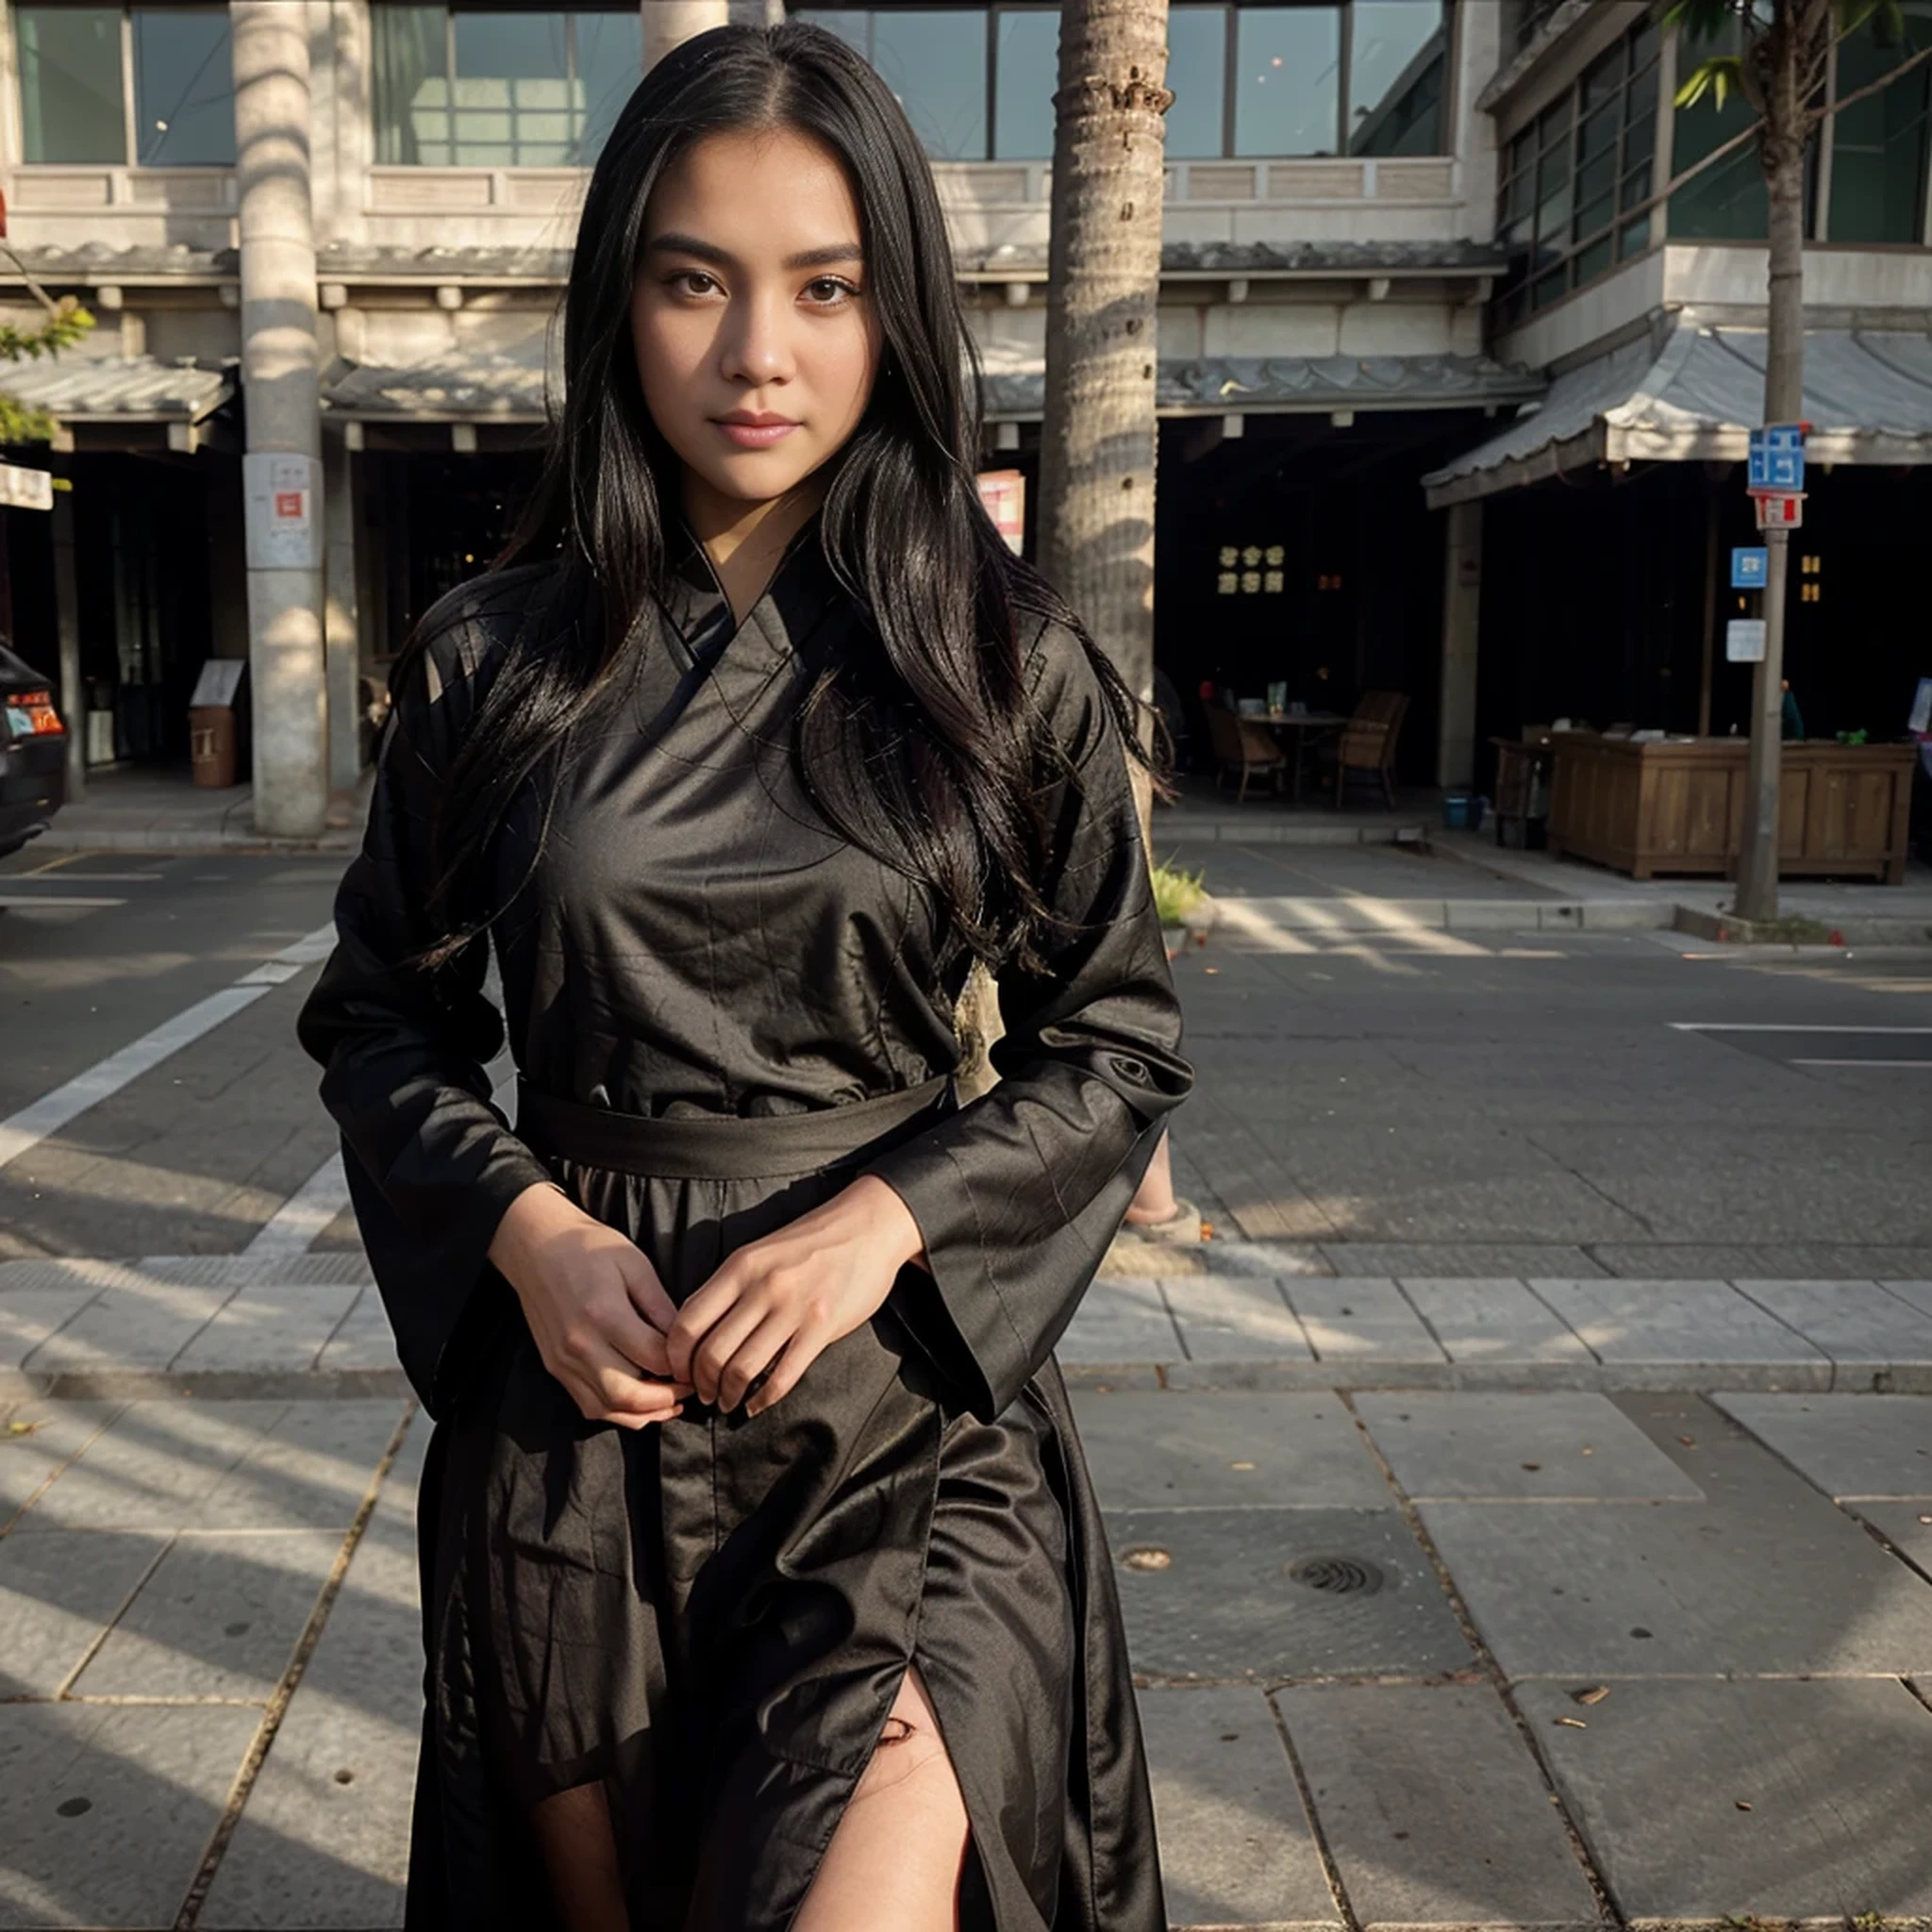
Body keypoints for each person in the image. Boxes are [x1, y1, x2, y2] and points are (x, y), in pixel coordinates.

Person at [295, 23, 1192, 1932]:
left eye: (825, 287)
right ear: (623, 300)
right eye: (695, 280)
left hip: (900, 1413)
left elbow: (1108, 1038)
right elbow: (379, 1021)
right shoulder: (492, 662)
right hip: (579, 1431)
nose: (757, 351)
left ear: (898, 316)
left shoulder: (995, 659)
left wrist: (893, 1217)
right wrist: (526, 1235)